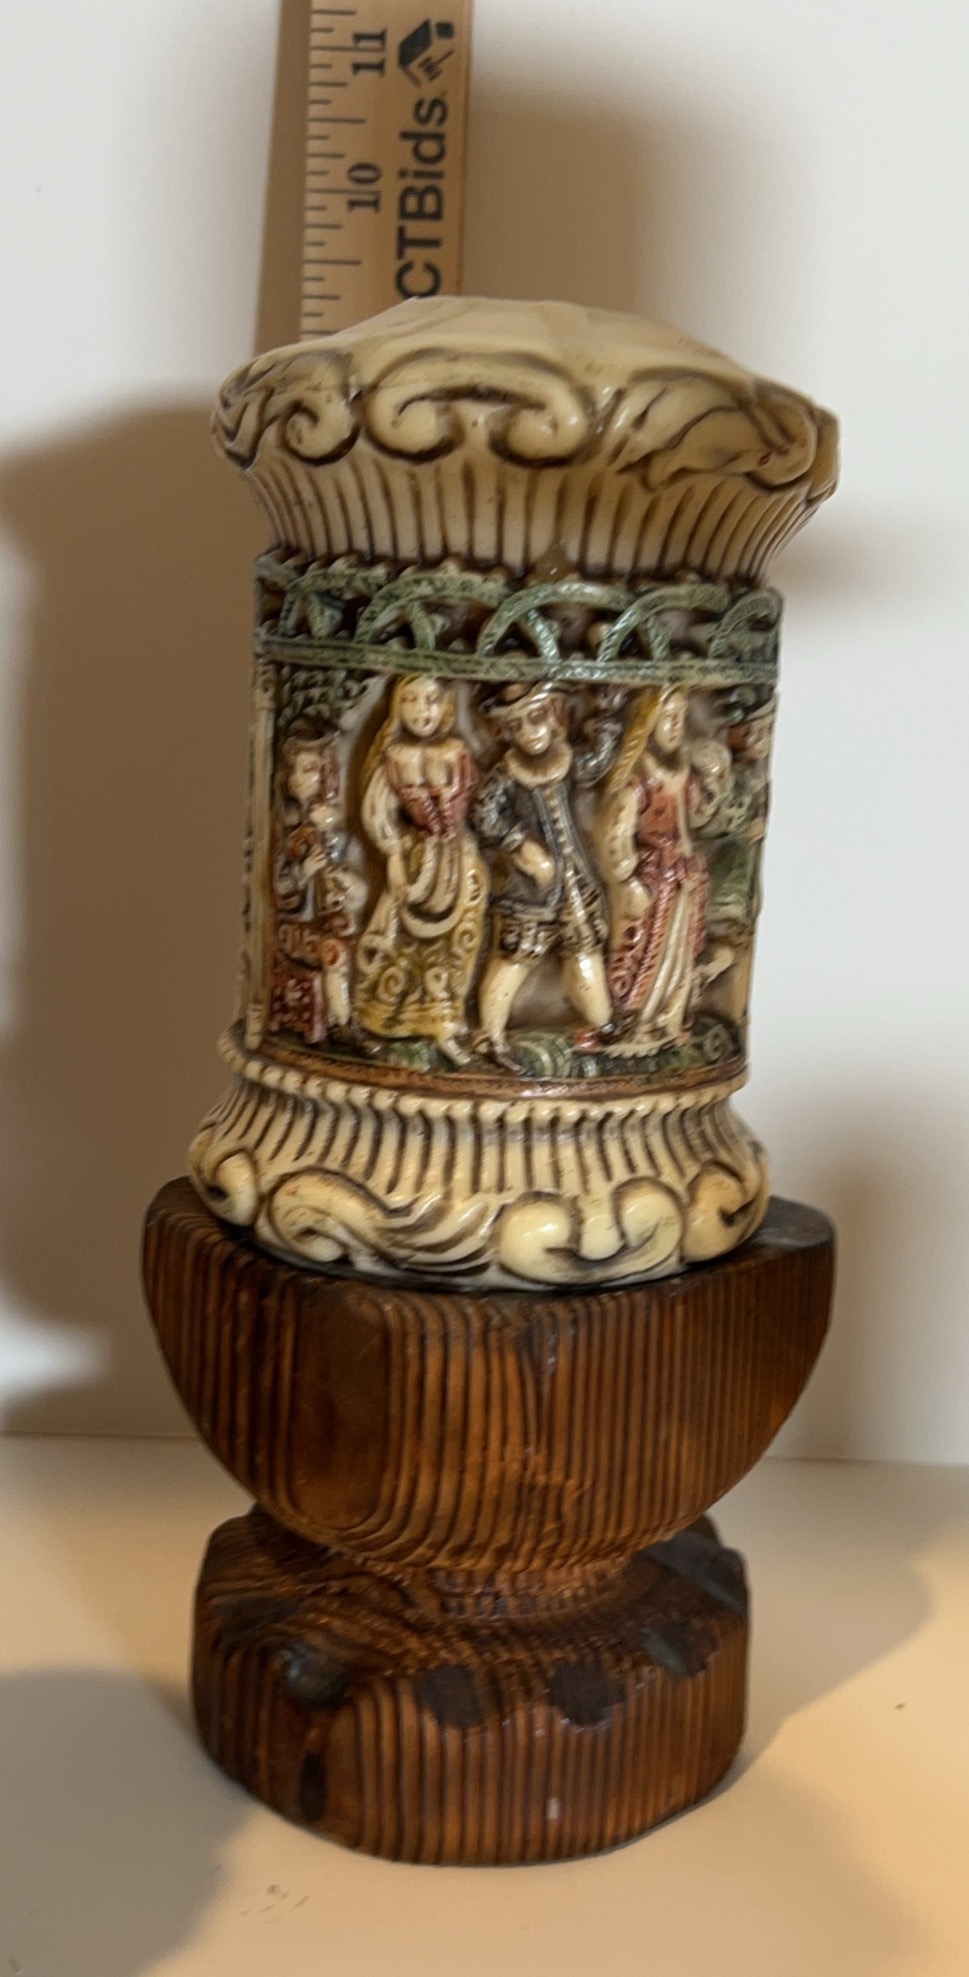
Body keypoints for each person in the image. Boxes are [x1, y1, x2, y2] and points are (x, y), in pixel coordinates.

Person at [471, 681, 612, 1067]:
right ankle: (490, 1035)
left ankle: (601, 1024)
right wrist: (517, 842)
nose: (529, 732)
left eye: (536, 718)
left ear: (555, 718)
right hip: (530, 892)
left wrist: (607, 716)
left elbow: (597, 762)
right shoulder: (506, 774)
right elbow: (483, 812)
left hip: (574, 885)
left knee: (584, 951)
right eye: (516, 725)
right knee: (515, 958)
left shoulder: (566, 760)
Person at [353, 674, 487, 1063]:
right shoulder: (394, 757)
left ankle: (448, 1018)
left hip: (459, 861)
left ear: (445, 706)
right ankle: (406, 1018)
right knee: (409, 943)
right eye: (410, 701)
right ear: (397, 707)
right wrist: (394, 855)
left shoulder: (457, 751)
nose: (421, 711)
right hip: (417, 862)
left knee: (458, 941)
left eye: (430, 701)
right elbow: (376, 812)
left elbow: (476, 801)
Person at [594, 685, 728, 1053]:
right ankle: (639, 1018)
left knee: (680, 951)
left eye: (680, 717)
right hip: (655, 878)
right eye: (666, 718)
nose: (675, 726)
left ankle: (670, 1016)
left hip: (684, 876)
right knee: (646, 950)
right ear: (648, 723)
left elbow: (694, 817)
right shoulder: (640, 778)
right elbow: (616, 831)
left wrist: (710, 790)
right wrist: (626, 877)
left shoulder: (682, 770)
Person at [272, 729, 366, 1047]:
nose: (299, 779)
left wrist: (342, 880)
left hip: (328, 919)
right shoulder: (289, 833)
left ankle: (355, 1018)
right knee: (334, 952)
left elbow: (354, 888)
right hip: (297, 926)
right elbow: (280, 883)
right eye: (295, 771)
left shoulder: (331, 834)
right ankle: (340, 1024)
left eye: (309, 770)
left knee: (358, 944)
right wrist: (305, 870)